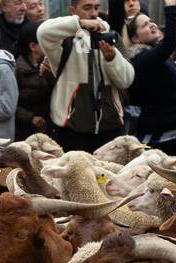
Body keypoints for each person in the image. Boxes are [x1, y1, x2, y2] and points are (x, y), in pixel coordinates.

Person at [38, 0, 136, 153]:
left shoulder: (110, 36)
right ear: (72, 10)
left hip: (111, 128)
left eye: (96, 7)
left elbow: (126, 80)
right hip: (73, 130)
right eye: (87, 7)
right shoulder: (64, 41)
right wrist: (79, 23)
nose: (93, 13)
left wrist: (112, 58)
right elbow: (43, 31)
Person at [127, 0, 176, 152]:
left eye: (151, 21)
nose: (152, 25)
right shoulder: (141, 58)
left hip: (174, 131)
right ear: (135, 38)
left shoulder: (156, 54)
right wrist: (171, 7)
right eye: (144, 25)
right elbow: (170, 43)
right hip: (158, 138)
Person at [13, 17, 52, 140]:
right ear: (33, 46)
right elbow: (11, 103)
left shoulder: (53, 65)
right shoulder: (16, 69)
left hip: (50, 129)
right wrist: (31, 118)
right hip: (24, 132)